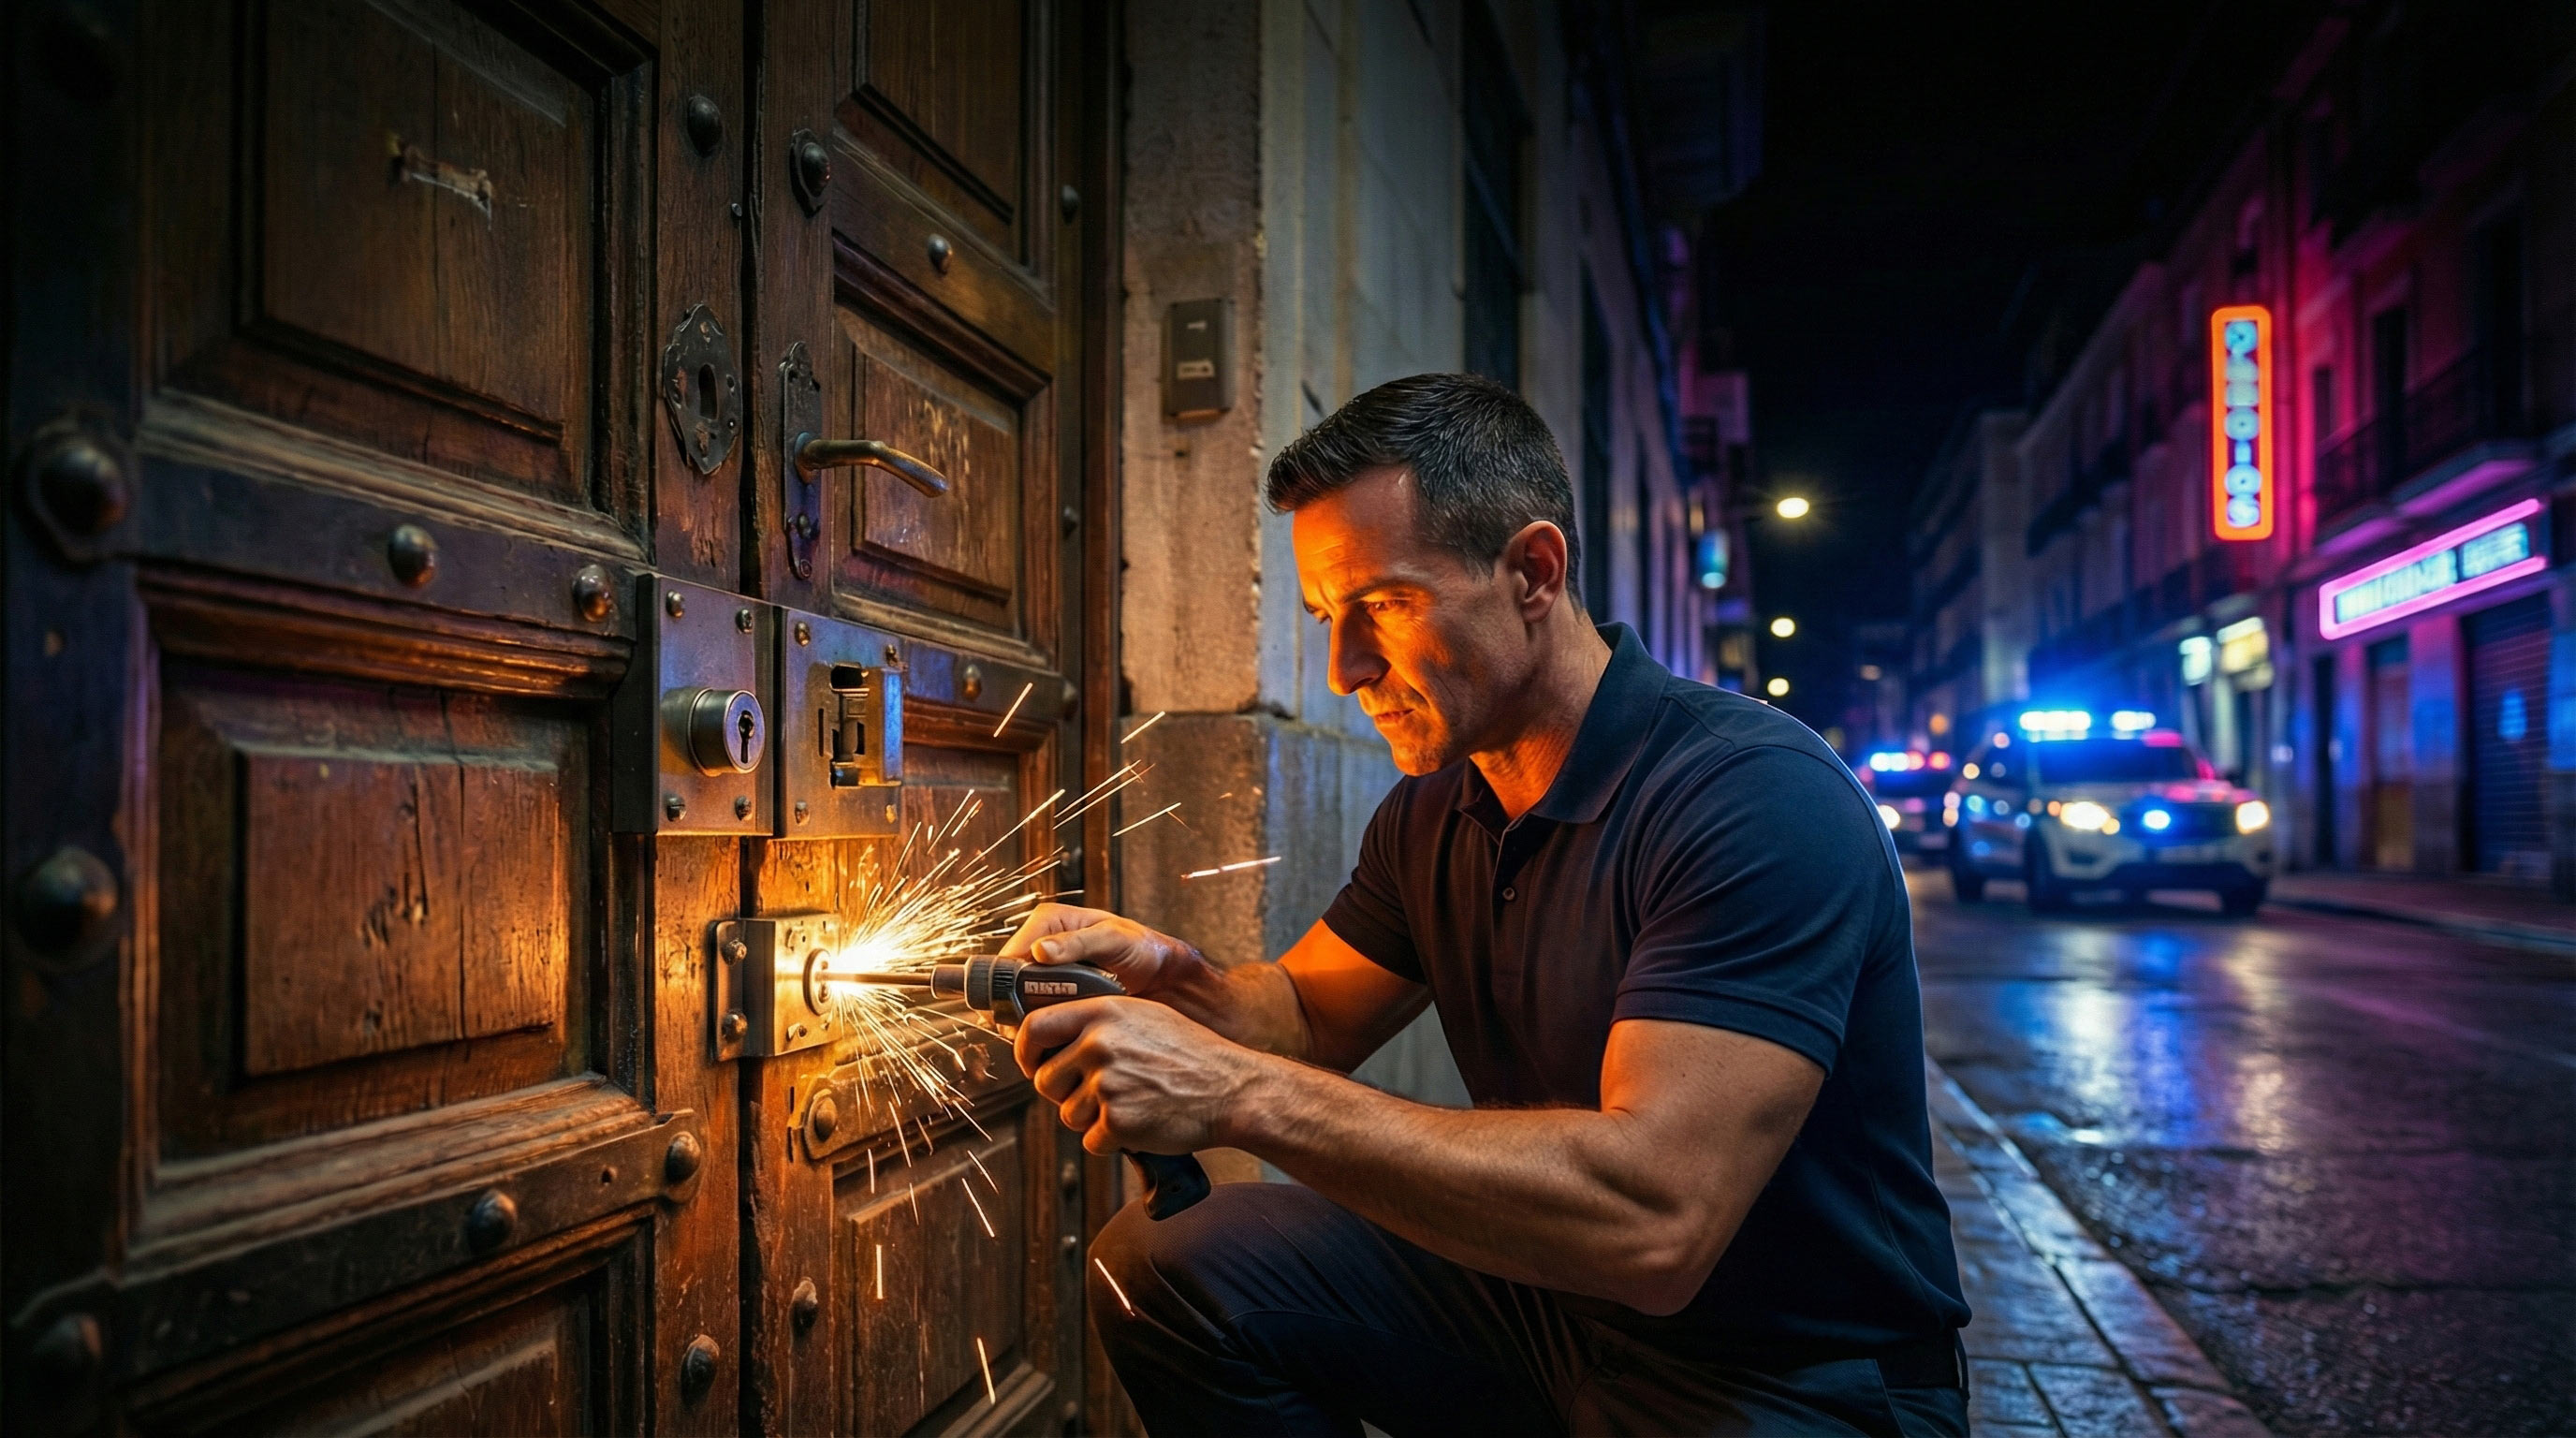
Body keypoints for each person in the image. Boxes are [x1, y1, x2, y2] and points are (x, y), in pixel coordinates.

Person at [1003, 373, 1969, 1435]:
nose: (1343, 667)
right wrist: (1170, 983)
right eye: (1328, 615)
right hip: (1555, 1319)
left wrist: (1239, 1092)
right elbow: (1309, 1016)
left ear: (1533, 573)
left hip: (1789, 1375)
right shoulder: (1439, 807)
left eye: (1384, 603)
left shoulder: (1750, 797)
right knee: (1172, 1266)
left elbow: (1652, 1222)